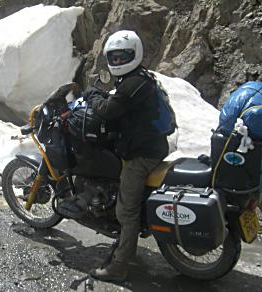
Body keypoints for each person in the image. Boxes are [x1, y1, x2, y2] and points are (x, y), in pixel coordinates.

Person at [87, 30, 171, 282]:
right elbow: (120, 102)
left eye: (123, 56)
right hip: (151, 145)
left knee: (127, 210)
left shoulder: (133, 83)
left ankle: (119, 267)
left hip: (141, 155)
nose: (118, 62)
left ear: (135, 54)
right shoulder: (139, 78)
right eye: (114, 57)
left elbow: (108, 110)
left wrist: (92, 95)